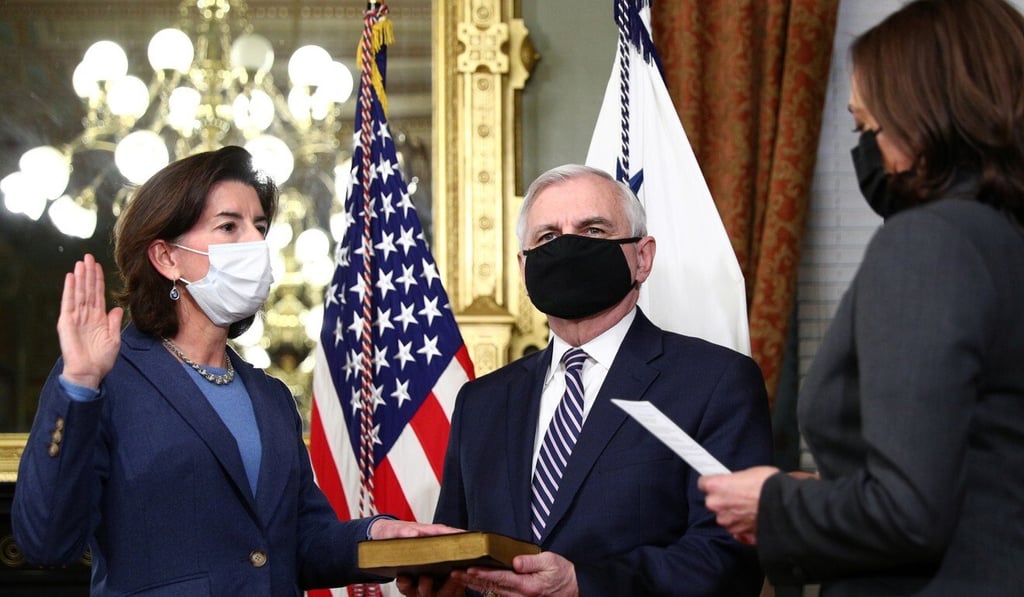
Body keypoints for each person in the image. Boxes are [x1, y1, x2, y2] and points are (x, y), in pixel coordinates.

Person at [12, 146, 455, 595]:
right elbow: (47, 542)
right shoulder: (104, 378)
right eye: (229, 226)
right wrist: (81, 384)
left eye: (259, 227)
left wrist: (377, 535)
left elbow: (301, 542)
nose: (254, 243)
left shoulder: (271, 396)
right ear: (167, 257)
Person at [698, 1, 1024, 595]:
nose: (866, 153)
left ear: (926, 120)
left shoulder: (930, 243)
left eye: (867, 127)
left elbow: (909, 512)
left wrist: (775, 503)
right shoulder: (1004, 238)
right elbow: (982, 470)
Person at [400, 164, 773, 597]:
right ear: (523, 268)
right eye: (548, 237)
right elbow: (461, 550)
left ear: (643, 257)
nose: (568, 248)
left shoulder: (715, 383)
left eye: (593, 231)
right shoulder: (481, 402)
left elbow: (730, 556)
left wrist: (582, 586)